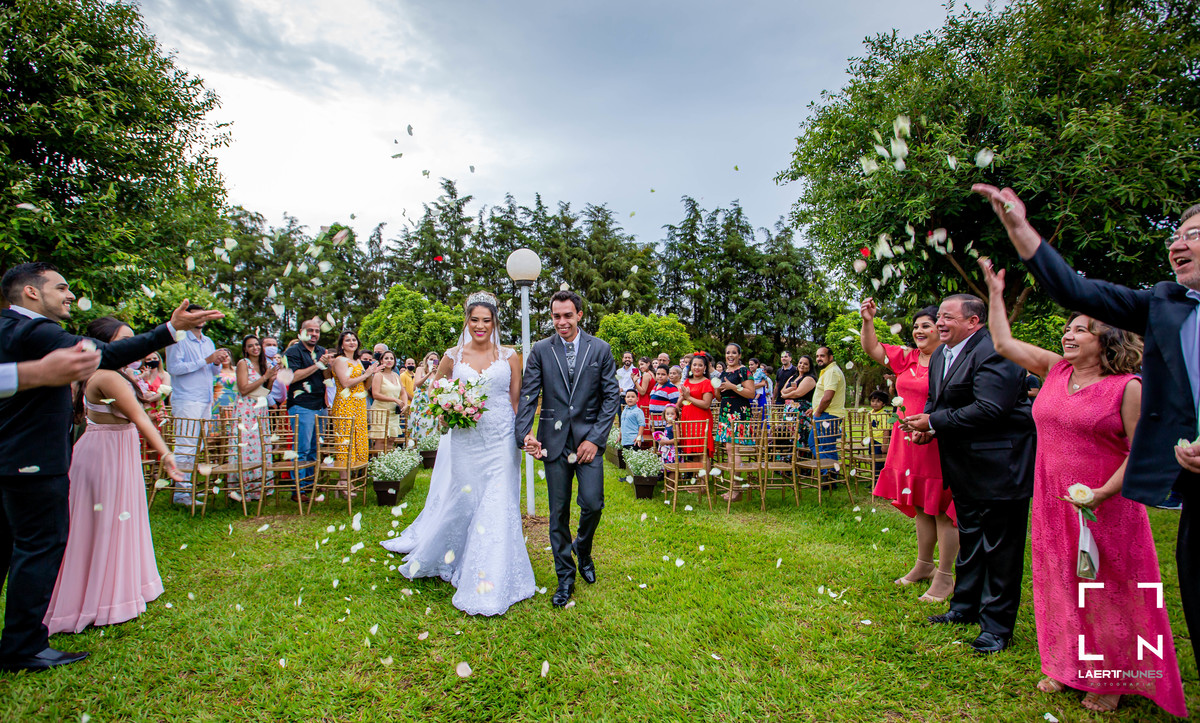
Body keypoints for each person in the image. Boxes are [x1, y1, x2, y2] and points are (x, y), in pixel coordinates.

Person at [974, 185, 1200, 667]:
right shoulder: (1056, 369)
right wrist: (995, 292)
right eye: (1069, 327)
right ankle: (1065, 664)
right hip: (1052, 493)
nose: (1069, 333)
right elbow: (1005, 341)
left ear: (1107, 339)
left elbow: (1140, 449)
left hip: (1105, 498)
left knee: (1108, 585)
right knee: (1058, 577)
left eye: (1082, 328)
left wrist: (1100, 493)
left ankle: (1113, 673)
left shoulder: (1127, 388)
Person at [0, 261, 220, 672]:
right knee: (39, 547)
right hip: (33, 459)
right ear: (31, 292)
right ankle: (22, 645)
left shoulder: (8, 329)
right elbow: (105, 355)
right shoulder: (34, 330)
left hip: (12, 457)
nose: (70, 294)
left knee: (17, 547)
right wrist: (170, 329)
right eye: (61, 287)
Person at [384, 292, 535, 616]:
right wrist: (448, 409)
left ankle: (490, 576)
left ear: (494, 322)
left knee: (497, 501)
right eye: (474, 319)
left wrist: (524, 435)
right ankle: (453, 556)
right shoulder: (452, 356)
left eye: (486, 320)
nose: (480, 326)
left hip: (500, 438)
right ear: (467, 321)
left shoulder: (510, 356)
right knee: (466, 499)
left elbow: (516, 400)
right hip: (466, 439)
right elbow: (435, 390)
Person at [901, 293, 1035, 655]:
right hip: (961, 466)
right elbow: (938, 401)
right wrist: (928, 428)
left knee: (1001, 550)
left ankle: (996, 628)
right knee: (971, 539)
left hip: (1000, 466)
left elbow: (990, 409)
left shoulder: (995, 351)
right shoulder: (942, 354)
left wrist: (934, 420)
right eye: (939, 317)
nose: (939, 323)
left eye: (948, 317)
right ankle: (964, 607)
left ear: (974, 321)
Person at [44, 317, 184, 636]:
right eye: (123, 341)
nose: (132, 346)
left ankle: (103, 591)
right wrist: (165, 453)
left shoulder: (97, 374)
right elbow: (140, 418)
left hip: (103, 450)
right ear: (105, 345)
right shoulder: (109, 376)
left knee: (102, 524)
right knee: (108, 524)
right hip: (107, 455)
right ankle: (104, 600)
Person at [516, 290, 621, 607]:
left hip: (588, 442)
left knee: (593, 503)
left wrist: (595, 439)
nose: (561, 321)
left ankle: (583, 549)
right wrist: (525, 434)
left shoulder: (600, 349)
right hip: (554, 442)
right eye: (556, 316)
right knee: (558, 513)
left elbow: (611, 397)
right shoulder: (540, 350)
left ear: (579, 315)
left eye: (567, 315)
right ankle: (565, 577)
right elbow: (528, 395)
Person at [859, 300, 957, 603]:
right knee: (920, 505)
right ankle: (924, 565)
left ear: (941, 328)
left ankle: (945, 575)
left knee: (943, 509)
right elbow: (872, 348)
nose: (919, 331)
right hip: (907, 443)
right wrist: (868, 320)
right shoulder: (908, 358)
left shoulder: (952, 359)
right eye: (916, 326)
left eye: (926, 325)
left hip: (938, 441)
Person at [163, 304, 229, 505]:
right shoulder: (177, 338)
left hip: (205, 398)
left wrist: (216, 362)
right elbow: (174, 368)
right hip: (187, 398)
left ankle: (187, 486)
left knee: (198, 445)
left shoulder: (208, 341)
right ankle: (180, 494)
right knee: (185, 445)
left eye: (202, 316)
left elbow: (213, 372)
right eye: (195, 316)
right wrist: (207, 359)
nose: (199, 319)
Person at [283, 319, 334, 500]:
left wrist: (328, 366)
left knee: (315, 449)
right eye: (310, 330)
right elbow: (293, 376)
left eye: (317, 331)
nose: (314, 334)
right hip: (302, 404)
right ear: (301, 332)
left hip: (320, 404)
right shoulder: (293, 352)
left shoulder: (321, 351)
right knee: (302, 449)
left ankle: (311, 484)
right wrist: (317, 365)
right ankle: (298, 490)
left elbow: (326, 377)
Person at [233, 335, 278, 499]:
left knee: (260, 445)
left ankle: (260, 485)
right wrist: (265, 377)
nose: (255, 348)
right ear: (245, 349)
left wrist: (271, 379)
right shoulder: (243, 363)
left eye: (257, 345)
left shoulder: (263, 365)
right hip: (246, 409)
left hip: (260, 408)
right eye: (250, 346)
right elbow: (243, 389)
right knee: (247, 445)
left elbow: (265, 391)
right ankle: (244, 486)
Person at [330, 332, 375, 481]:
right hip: (345, 403)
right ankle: (343, 481)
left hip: (359, 404)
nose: (351, 342)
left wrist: (370, 374)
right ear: (342, 344)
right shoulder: (340, 360)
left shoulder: (357, 361)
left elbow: (365, 386)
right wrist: (365, 374)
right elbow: (345, 383)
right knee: (345, 441)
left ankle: (355, 478)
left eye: (354, 340)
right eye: (347, 340)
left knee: (358, 439)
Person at [714, 343, 756, 501]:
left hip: (738, 412)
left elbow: (751, 393)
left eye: (733, 353)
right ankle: (734, 488)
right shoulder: (724, 373)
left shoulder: (744, 371)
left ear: (739, 355)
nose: (730, 356)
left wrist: (733, 386)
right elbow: (720, 398)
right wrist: (717, 389)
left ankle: (736, 489)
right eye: (727, 353)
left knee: (733, 449)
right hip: (726, 412)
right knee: (729, 449)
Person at [806, 347, 846, 465]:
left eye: (822, 356)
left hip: (827, 415)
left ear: (830, 357)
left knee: (827, 447)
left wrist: (818, 412)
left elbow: (828, 396)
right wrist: (815, 409)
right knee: (814, 443)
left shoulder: (831, 372)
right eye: (817, 356)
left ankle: (830, 472)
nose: (819, 359)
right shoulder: (828, 371)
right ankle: (827, 469)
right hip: (824, 413)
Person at [678, 353, 716, 458]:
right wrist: (682, 397)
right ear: (690, 367)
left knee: (702, 453)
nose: (697, 368)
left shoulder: (707, 383)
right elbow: (679, 404)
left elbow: (706, 404)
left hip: (701, 420)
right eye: (694, 365)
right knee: (693, 453)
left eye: (700, 365)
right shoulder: (686, 381)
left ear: (705, 368)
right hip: (687, 420)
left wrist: (688, 397)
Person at [371, 351, 408, 439]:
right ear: (381, 361)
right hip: (381, 411)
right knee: (381, 440)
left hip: (394, 412)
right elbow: (375, 394)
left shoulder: (396, 375)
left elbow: (403, 392)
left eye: (391, 358)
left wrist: (405, 404)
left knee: (392, 439)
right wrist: (394, 399)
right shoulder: (378, 375)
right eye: (386, 358)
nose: (389, 360)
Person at [407, 352, 442, 447]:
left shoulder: (438, 372)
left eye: (435, 360)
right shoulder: (420, 369)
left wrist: (436, 373)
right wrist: (429, 373)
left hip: (431, 402)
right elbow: (417, 384)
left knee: (431, 426)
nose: (432, 361)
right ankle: (417, 448)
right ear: (426, 360)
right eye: (430, 359)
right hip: (420, 402)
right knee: (419, 425)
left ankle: (429, 448)